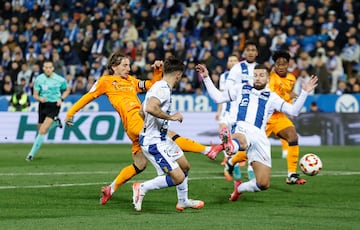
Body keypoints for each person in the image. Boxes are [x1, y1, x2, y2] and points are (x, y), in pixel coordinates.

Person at [64, 52, 216, 205]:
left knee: (140, 165)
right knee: (168, 134)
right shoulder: (105, 81)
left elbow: (151, 85)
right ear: (113, 67)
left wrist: (157, 71)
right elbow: (88, 96)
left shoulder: (131, 81)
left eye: (129, 65)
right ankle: (207, 150)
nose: (129, 68)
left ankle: (110, 189)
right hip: (134, 122)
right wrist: (70, 113)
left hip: (138, 123)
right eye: (125, 65)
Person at [195, 63, 318, 201]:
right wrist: (206, 78)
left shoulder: (272, 97)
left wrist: (304, 92)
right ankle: (226, 146)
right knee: (241, 139)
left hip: (260, 137)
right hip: (242, 128)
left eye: (261, 75)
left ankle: (239, 188)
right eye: (255, 75)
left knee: (263, 184)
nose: (258, 78)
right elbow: (218, 97)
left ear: (268, 78)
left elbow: (293, 111)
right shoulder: (241, 88)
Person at [132, 56, 204, 211]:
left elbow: (141, 111)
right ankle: (142, 188)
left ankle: (183, 201)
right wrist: (171, 117)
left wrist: (152, 124)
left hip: (162, 138)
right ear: (178, 74)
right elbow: (151, 108)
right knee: (178, 177)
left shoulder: (158, 86)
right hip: (153, 142)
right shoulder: (163, 89)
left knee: (184, 167)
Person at [265, 50, 307, 185]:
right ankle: (231, 162)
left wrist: (290, 104)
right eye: (278, 64)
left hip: (279, 117)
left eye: (284, 64)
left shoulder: (291, 78)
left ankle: (291, 174)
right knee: (249, 147)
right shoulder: (270, 78)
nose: (281, 67)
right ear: (274, 65)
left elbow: (286, 92)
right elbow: (274, 98)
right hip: (265, 117)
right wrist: (289, 97)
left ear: (288, 65)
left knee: (293, 137)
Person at [25, 60, 70, 161]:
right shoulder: (39, 79)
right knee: (41, 130)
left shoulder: (59, 79)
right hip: (43, 105)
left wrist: (61, 99)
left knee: (42, 130)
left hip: (54, 105)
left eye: (50, 67)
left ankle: (30, 155)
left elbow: (67, 89)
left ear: (53, 68)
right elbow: (35, 94)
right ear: (43, 68)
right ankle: (56, 123)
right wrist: (39, 99)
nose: (48, 69)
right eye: (46, 67)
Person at [214, 54, 241, 180]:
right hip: (226, 111)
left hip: (238, 111)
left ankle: (236, 160)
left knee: (237, 136)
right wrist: (218, 111)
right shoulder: (223, 76)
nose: (233, 62)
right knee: (224, 134)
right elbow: (221, 95)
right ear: (228, 63)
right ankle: (229, 157)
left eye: (235, 60)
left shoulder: (243, 77)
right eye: (230, 60)